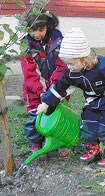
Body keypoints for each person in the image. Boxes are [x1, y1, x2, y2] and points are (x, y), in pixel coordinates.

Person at [36, 27, 105, 169]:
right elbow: (60, 88)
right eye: (67, 63)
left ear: (84, 58)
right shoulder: (72, 74)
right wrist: (46, 103)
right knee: (88, 124)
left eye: (71, 63)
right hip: (92, 101)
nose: (69, 67)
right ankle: (93, 148)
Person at [20, 7, 70, 160]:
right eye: (32, 30)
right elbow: (29, 72)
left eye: (40, 29)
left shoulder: (57, 39)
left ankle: (60, 140)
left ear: (48, 25)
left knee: (59, 111)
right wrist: (40, 90)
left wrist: (55, 86)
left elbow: (63, 64)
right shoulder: (25, 45)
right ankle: (37, 142)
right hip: (35, 88)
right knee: (36, 113)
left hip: (57, 86)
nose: (36, 34)